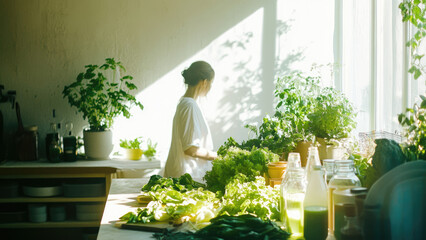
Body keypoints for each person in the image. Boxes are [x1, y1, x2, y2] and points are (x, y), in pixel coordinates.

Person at [164, 61, 218, 178]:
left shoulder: (186, 103)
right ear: (204, 82)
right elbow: (190, 149)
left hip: (183, 173)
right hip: (186, 175)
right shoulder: (189, 105)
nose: (210, 87)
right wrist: (218, 157)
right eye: (211, 82)